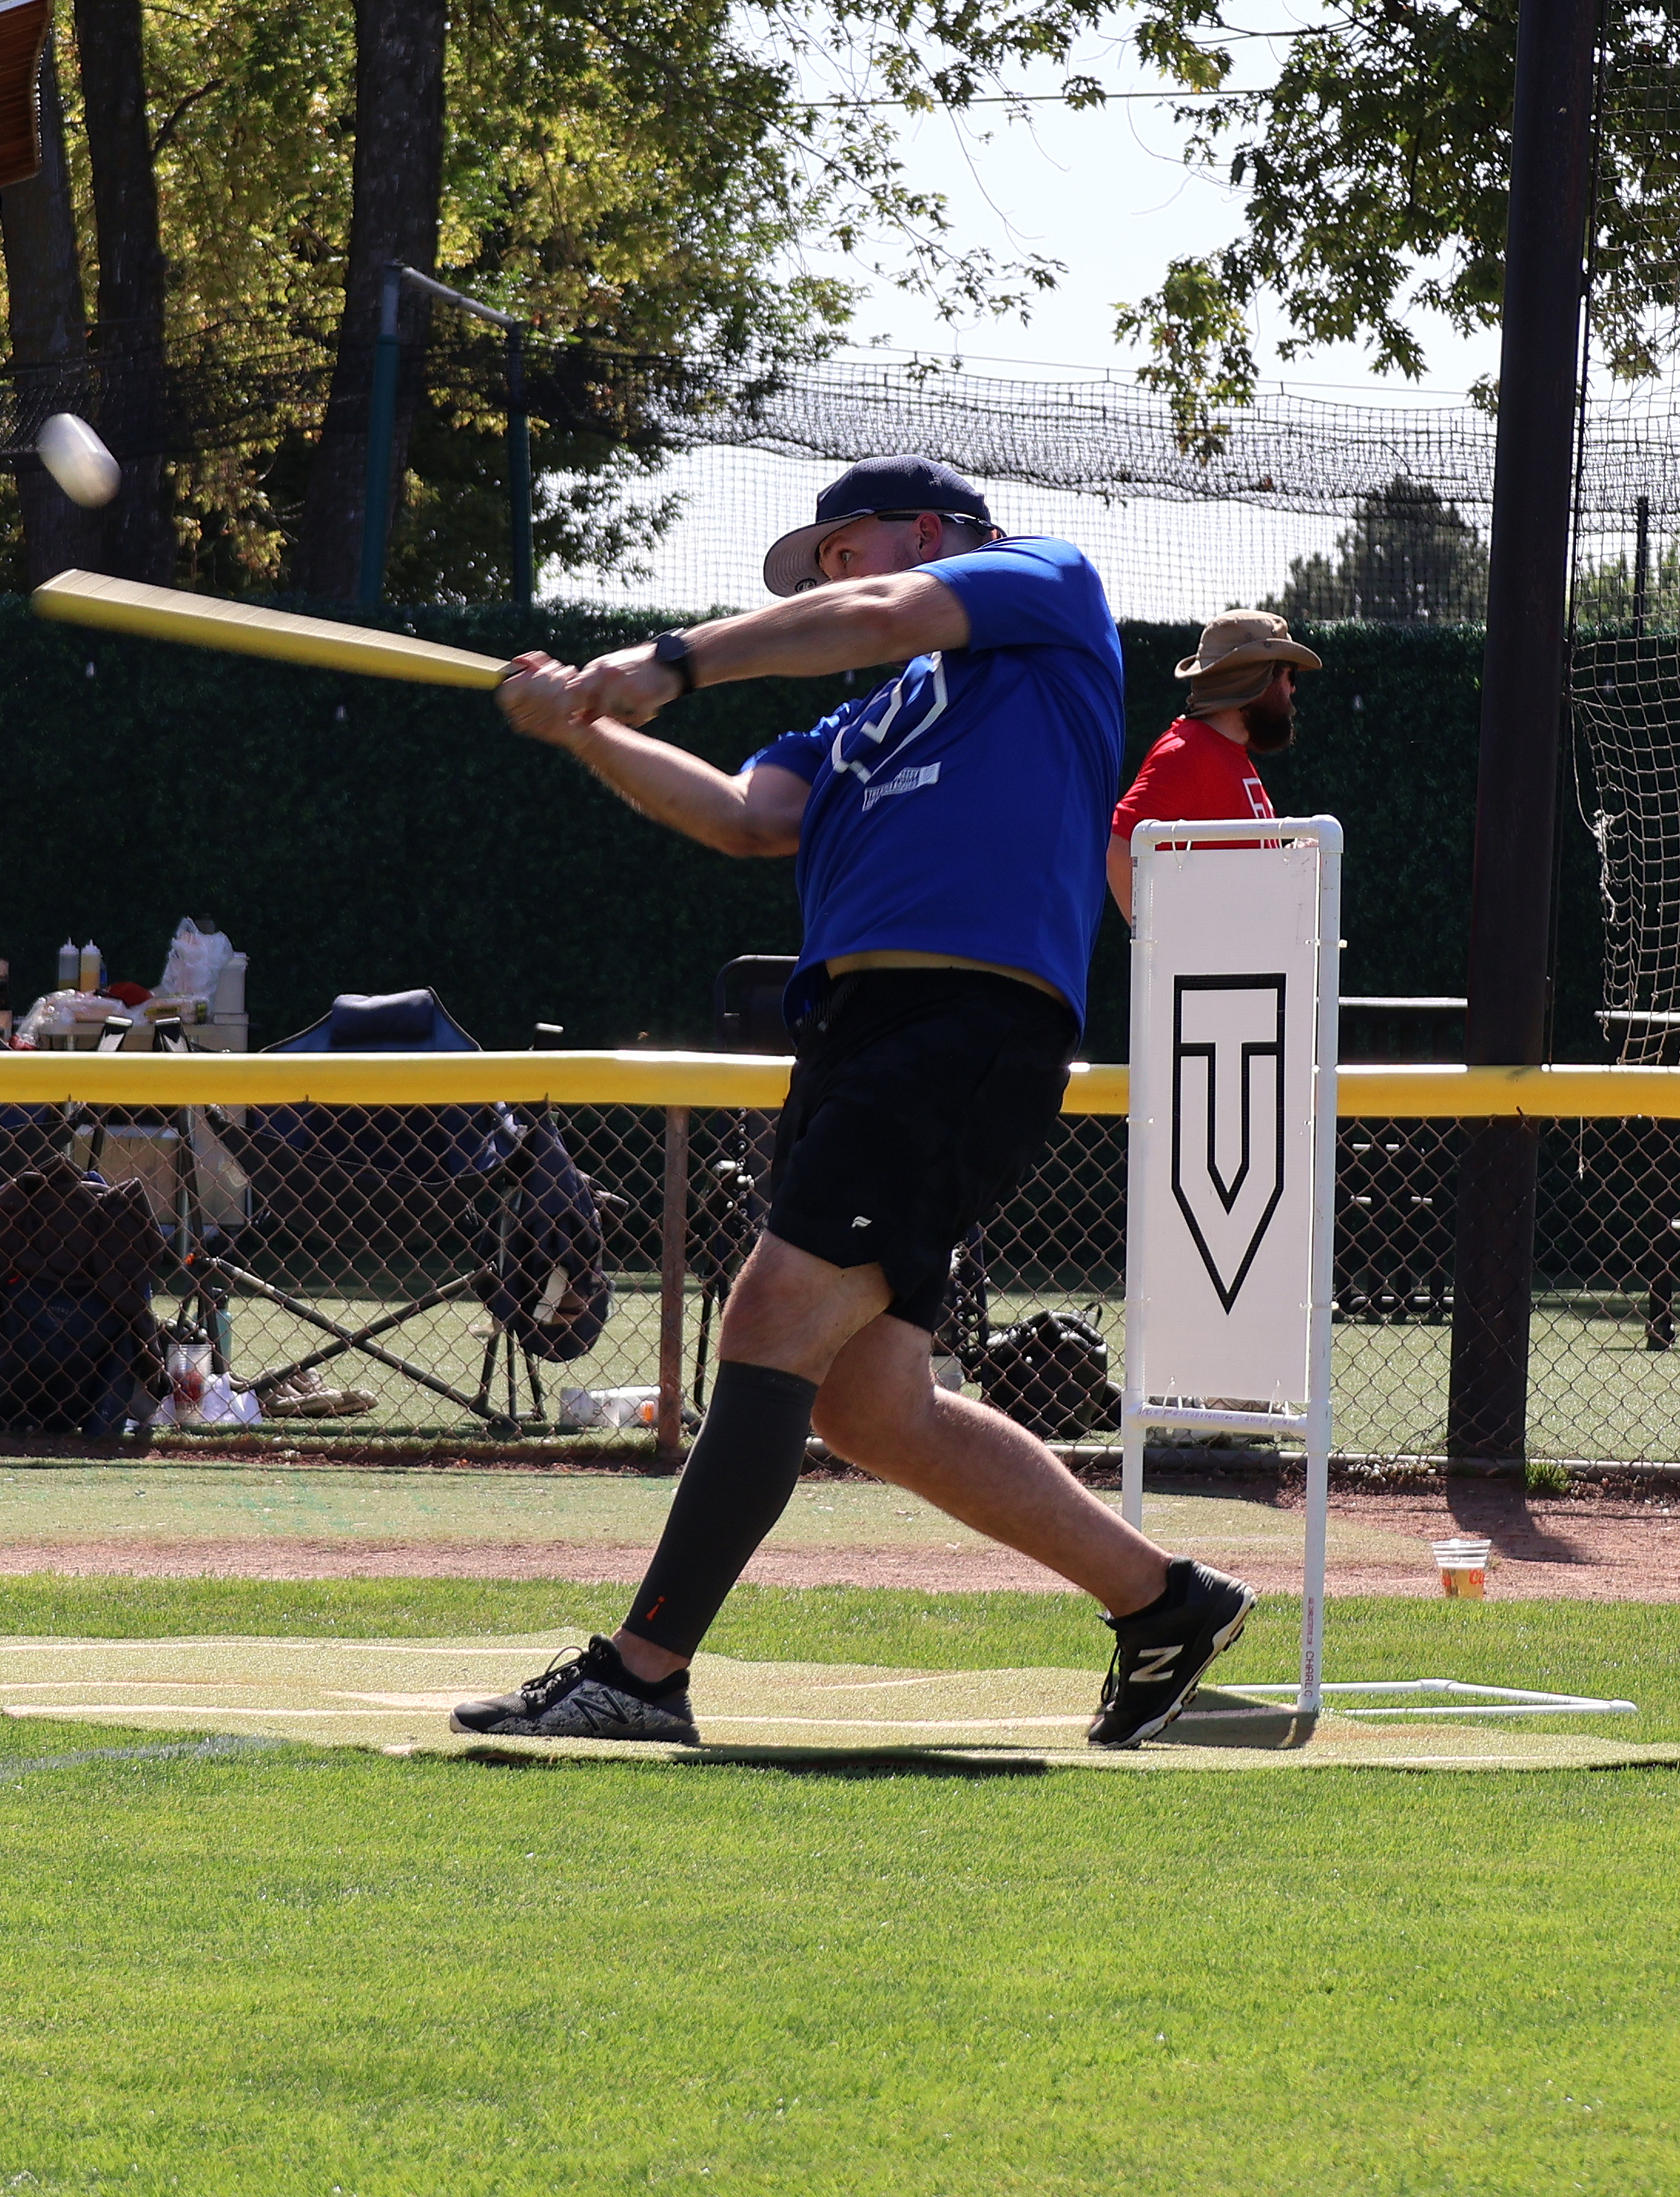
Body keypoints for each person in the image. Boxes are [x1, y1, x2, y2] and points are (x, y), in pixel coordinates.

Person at [454, 455, 1254, 1749]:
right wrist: (588, 727)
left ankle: (645, 1671)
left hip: (963, 1021)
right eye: (816, 567)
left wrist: (665, 663)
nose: (831, 578)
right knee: (868, 1405)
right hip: (859, 1035)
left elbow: (883, 618)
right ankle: (1165, 1604)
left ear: (938, 533)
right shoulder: (852, 729)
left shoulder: (1044, 585)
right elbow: (742, 817)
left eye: (843, 547)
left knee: (772, 1314)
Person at [1105, 609, 1319, 920]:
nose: (1293, 689)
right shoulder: (1186, 751)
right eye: (1289, 674)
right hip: (1210, 970)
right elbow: (1119, 845)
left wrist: (1288, 863)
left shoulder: (1230, 754)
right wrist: (1157, 949)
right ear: (1257, 678)